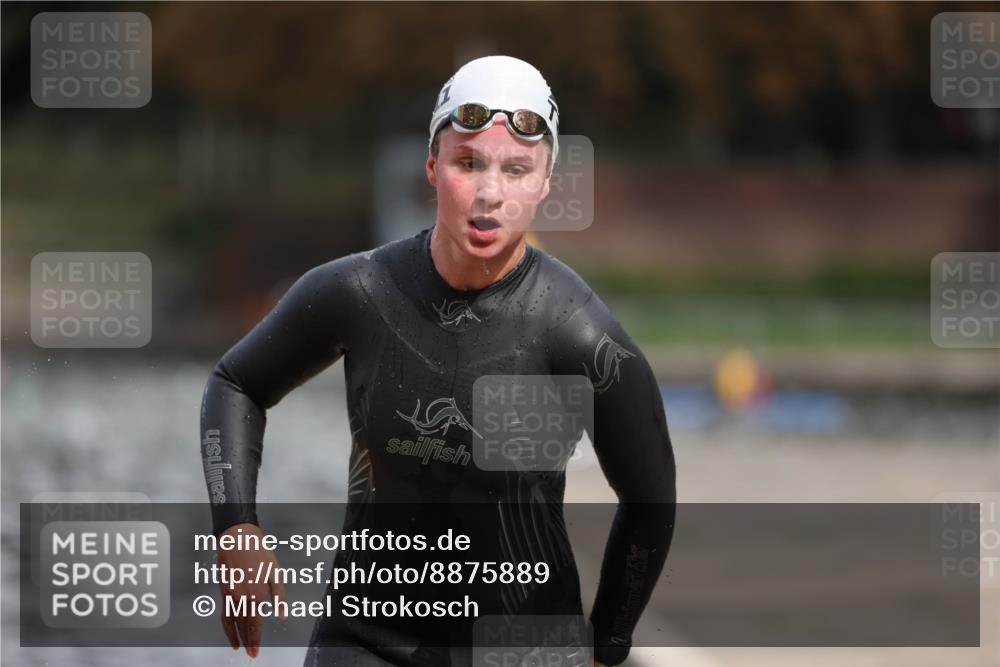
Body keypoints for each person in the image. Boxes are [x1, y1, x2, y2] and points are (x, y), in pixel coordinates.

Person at [200, 55, 676, 667]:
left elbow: (651, 499)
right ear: (432, 166)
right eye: (467, 163)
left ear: (545, 183)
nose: (489, 193)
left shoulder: (578, 334)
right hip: (367, 638)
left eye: (517, 170)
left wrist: (606, 645)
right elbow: (236, 383)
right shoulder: (361, 293)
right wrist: (237, 528)